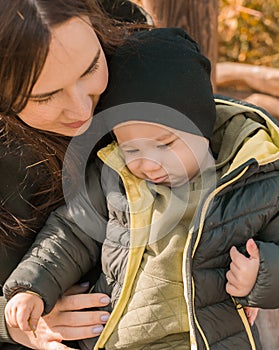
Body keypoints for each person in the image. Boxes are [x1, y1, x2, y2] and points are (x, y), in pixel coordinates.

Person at [4, 27, 279, 350]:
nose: (149, 163)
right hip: (116, 337)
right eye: (132, 149)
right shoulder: (114, 177)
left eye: (165, 145)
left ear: (202, 127)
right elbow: (70, 234)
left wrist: (262, 274)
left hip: (206, 339)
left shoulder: (253, 180)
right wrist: (32, 287)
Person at [0, 0, 151, 349]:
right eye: (45, 97)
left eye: (90, 68)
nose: (83, 109)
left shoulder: (143, 60)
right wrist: (15, 324)